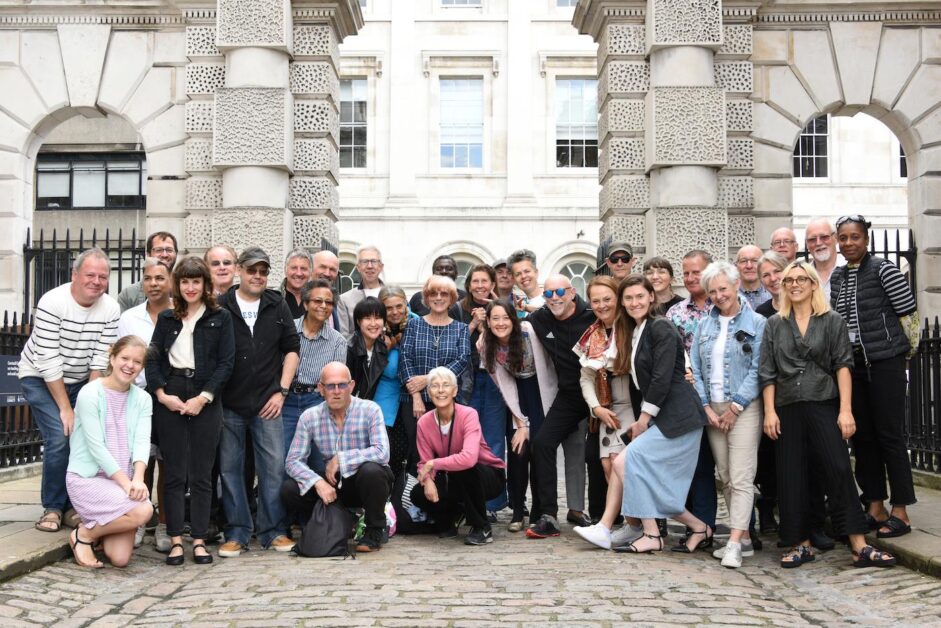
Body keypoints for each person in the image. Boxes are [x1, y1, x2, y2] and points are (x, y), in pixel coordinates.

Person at [760, 261, 896, 569]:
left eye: (801, 279)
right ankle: (800, 543)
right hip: (787, 406)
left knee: (838, 470)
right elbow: (767, 372)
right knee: (791, 475)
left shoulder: (832, 320)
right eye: (789, 280)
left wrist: (846, 410)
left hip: (824, 402)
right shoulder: (774, 324)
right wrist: (769, 411)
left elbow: (843, 366)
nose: (795, 284)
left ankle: (859, 545)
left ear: (812, 284)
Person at [574, 275, 710, 554]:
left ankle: (650, 533)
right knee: (630, 466)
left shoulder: (661, 327)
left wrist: (643, 420)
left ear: (651, 296)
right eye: (628, 298)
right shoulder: (636, 329)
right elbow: (605, 360)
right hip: (665, 416)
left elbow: (661, 379)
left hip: (680, 416)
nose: (634, 302)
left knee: (628, 461)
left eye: (639, 296)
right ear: (622, 303)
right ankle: (694, 527)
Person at [19, 248, 120, 534]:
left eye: (103, 276)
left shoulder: (111, 308)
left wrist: (86, 404)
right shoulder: (52, 302)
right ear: (75, 275)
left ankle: (73, 505)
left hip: (81, 379)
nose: (96, 281)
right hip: (39, 376)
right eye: (90, 275)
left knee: (84, 438)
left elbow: (100, 360)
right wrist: (66, 408)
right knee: (60, 436)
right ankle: (52, 507)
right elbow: (48, 361)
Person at [831, 215, 919, 540]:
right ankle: (875, 505)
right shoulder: (839, 277)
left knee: (890, 436)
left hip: (885, 363)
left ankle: (901, 510)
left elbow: (908, 314)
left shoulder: (884, 270)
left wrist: (903, 355)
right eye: (843, 238)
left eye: (855, 237)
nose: (849, 243)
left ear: (865, 239)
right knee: (863, 438)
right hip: (853, 368)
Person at [147, 256, 235, 565]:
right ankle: (174, 540)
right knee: (172, 471)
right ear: (177, 285)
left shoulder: (220, 318)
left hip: (205, 396)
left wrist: (204, 397)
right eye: (185, 281)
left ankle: (197, 539)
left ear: (205, 284)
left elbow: (226, 363)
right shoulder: (167, 318)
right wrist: (161, 395)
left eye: (196, 281)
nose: (190, 287)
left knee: (201, 473)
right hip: (171, 392)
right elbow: (153, 360)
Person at [217, 246, 300, 557]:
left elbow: (292, 349)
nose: (258, 276)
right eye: (252, 270)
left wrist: (282, 390)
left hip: (268, 401)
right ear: (239, 270)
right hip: (229, 403)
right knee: (230, 470)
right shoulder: (222, 305)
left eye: (263, 271)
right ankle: (236, 532)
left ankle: (273, 531)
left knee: (273, 469)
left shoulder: (276, 304)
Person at [690, 261, 766, 568]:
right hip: (713, 409)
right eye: (713, 291)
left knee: (741, 475)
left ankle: (733, 542)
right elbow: (694, 368)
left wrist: (736, 406)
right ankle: (744, 536)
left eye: (723, 288)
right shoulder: (704, 325)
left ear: (736, 286)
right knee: (724, 477)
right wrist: (706, 407)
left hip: (744, 408)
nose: (719, 295)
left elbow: (760, 368)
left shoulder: (758, 322)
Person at [282, 362, 393, 553]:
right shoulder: (310, 417)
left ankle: (375, 529)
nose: (336, 391)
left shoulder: (370, 409)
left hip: (363, 482)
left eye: (342, 385)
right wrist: (317, 482)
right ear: (320, 389)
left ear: (351, 386)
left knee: (372, 471)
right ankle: (332, 523)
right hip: (333, 484)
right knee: (289, 489)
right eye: (330, 386)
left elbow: (382, 452)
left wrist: (341, 459)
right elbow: (293, 461)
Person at [66, 335, 154, 569]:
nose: (130, 365)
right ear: (112, 358)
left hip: (120, 482)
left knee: (120, 558)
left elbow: (142, 442)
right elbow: (96, 447)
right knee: (143, 510)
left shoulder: (143, 399)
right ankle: (84, 534)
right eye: (125, 358)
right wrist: (127, 486)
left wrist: (138, 479)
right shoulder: (90, 393)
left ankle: (97, 525)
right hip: (88, 479)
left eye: (137, 362)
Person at [526, 275, 596, 538]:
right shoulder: (541, 318)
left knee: (594, 455)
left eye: (559, 292)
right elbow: (514, 325)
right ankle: (548, 515)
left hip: (600, 394)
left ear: (572, 292)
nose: (554, 297)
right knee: (543, 443)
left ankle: (599, 513)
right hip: (568, 396)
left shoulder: (591, 315)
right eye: (548, 293)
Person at [478, 300, 557, 532]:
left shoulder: (528, 332)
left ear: (513, 318)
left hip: (541, 390)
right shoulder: (485, 345)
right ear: (489, 322)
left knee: (538, 449)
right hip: (516, 395)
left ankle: (539, 509)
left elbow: (547, 368)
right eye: (495, 318)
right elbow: (504, 384)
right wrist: (520, 422)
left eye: (505, 317)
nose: (501, 323)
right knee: (518, 451)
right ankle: (518, 508)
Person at [414, 367, 507, 545]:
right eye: (434, 386)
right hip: (454, 477)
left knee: (466, 469)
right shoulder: (424, 423)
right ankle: (455, 515)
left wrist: (434, 464)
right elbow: (424, 463)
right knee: (417, 493)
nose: (440, 390)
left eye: (446, 385)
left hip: (488, 475)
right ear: (428, 392)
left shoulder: (468, 415)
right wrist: (427, 481)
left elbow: (469, 458)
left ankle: (482, 527)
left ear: (455, 390)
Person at [116, 257, 172, 550]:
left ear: (170, 281)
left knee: (166, 463)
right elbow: (120, 357)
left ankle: (163, 524)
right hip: (136, 399)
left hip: (169, 399)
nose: (153, 284)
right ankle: (139, 521)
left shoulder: (180, 314)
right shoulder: (129, 317)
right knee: (141, 463)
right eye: (148, 278)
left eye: (160, 278)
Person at [665, 250, 717, 544]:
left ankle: (745, 530)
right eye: (685, 273)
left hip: (722, 396)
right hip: (689, 399)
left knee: (730, 467)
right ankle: (700, 524)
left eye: (696, 272)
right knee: (697, 464)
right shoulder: (676, 313)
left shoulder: (723, 304)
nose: (690, 278)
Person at [399, 275, 471, 470]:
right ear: (426, 297)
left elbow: (462, 360)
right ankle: (415, 498)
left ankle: (444, 497)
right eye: (433, 293)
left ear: (452, 298)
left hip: (446, 400)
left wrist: (429, 379)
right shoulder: (413, 325)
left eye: (444, 293)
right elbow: (405, 358)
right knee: (417, 453)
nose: (438, 297)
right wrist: (415, 396)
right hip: (414, 401)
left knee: (446, 452)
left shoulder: (461, 329)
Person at [574, 277, 634, 489]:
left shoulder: (631, 327)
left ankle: (645, 520)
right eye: (596, 301)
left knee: (623, 464)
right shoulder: (593, 334)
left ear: (618, 298)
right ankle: (631, 521)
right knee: (608, 466)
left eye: (607, 299)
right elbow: (586, 376)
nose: (602, 305)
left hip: (633, 406)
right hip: (607, 408)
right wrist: (596, 408)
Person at [459, 264, 508, 517]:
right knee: (469, 440)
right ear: (468, 285)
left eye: (484, 281)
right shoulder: (459, 308)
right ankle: (470, 500)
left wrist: (490, 320)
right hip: (468, 380)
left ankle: (493, 503)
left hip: (494, 379)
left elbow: (508, 340)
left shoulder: (500, 307)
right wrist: (472, 324)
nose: (480, 286)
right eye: (475, 281)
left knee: (494, 439)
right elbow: (454, 344)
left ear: (492, 283)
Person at [283, 279, 347, 458]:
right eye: (318, 301)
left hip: (317, 402)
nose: (323, 306)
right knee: (283, 458)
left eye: (328, 302)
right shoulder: (286, 329)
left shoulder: (338, 341)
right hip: (286, 400)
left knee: (319, 460)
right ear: (305, 303)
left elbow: (337, 383)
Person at [375, 286, 419, 475]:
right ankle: (387, 499)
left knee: (414, 450)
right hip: (386, 395)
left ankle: (409, 497)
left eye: (399, 306)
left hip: (413, 395)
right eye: (388, 308)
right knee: (388, 451)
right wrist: (391, 346)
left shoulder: (418, 324)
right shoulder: (376, 326)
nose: (394, 312)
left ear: (406, 304)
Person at [118, 232, 178, 311]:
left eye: (169, 250)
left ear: (176, 253)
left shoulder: (187, 290)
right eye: (158, 250)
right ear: (148, 255)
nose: (164, 255)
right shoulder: (128, 295)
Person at [347, 297, 388, 402]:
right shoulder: (348, 348)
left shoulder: (381, 347)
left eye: (378, 317)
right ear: (358, 321)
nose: (373, 323)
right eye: (367, 318)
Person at [338, 245, 385, 339]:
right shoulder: (345, 300)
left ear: (381, 266)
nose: (370, 266)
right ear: (358, 267)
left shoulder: (392, 296)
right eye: (365, 262)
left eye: (374, 261)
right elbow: (343, 337)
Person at [806, 218, 839, 301]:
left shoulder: (851, 270)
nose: (818, 243)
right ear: (807, 244)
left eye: (824, 237)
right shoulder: (803, 275)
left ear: (836, 238)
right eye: (812, 239)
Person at [507, 249, 544, 316]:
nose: (523, 276)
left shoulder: (553, 296)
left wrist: (526, 308)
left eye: (527, 271)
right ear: (514, 280)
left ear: (536, 272)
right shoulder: (518, 310)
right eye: (518, 274)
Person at [735, 245, 770, 311]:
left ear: (763, 265)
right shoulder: (729, 295)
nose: (749, 266)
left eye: (754, 261)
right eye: (743, 261)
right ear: (736, 266)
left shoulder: (773, 293)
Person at [281, 249, 313, 319]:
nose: (299, 273)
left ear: (310, 273)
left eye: (303, 268)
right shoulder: (274, 297)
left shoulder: (316, 299)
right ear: (285, 270)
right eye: (294, 268)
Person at [754, 251, 788, 319]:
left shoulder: (803, 307)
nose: (773, 279)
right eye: (766, 275)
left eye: (777, 271)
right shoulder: (761, 313)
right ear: (761, 280)